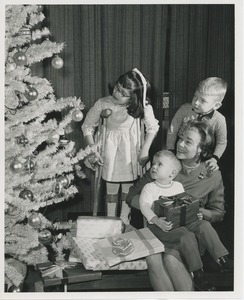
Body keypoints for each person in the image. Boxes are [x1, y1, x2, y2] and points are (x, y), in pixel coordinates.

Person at [126, 120, 233, 291]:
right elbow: (131, 195)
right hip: (159, 227)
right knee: (153, 258)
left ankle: (200, 278)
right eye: (180, 138)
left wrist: (202, 212)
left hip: (192, 233)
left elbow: (218, 213)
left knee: (170, 258)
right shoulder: (165, 164)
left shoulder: (212, 174)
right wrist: (157, 209)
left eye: (188, 141)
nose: (180, 144)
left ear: (201, 150)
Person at [81, 68, 159, 224]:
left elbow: (153, 128)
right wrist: (92, 149)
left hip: (129, 151)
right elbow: (87, 126)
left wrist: (145, 150)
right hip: (109, 149)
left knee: (128, 185)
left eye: (123, 93)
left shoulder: (143, 107)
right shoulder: (102, 103)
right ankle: (111, 217)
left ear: (134, 97)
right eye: (117, 88)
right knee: (111, 183)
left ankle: (124, 217)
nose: (117, 94)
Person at [166, 77, 228, 172]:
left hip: (203, 156)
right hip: (180, 150)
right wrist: (170, 150)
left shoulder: (220, 119)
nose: (196, 102)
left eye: (203, 100)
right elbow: (172, 131)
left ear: (216, 105)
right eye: (195, 96)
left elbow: (222, 142)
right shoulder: (184, 109)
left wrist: (214, 159)